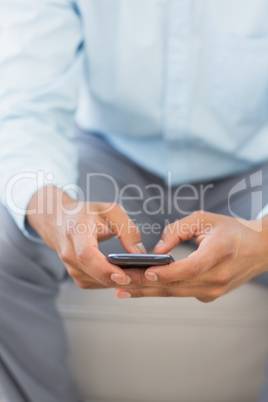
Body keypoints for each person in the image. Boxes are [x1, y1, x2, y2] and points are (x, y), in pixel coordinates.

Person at [0, 1, 268, 401]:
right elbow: (24, 106)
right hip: (111, 158)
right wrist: (57, 214)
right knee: (9, 235)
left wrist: (263, 238)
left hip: (255, 167)